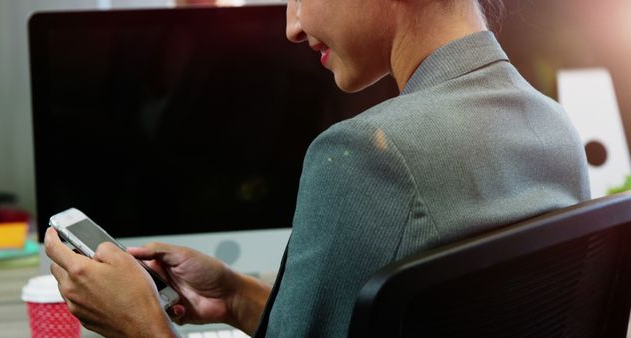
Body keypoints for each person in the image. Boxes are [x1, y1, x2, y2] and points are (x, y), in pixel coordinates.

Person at [44, 0, 590, 336]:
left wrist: (141, 327)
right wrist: (236, 297)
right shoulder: (555, 129)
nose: (292, 25)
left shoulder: (362, 156)